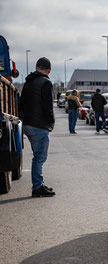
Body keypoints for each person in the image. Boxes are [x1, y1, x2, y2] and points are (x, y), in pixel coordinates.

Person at [19, 57, 56, 197]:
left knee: (37, 157)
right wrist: (51, 123)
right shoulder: (46, 83)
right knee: (39, 157)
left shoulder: (28, 82)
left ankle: (39, 184)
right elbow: (48, 106)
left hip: (28, 124)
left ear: (36, 67)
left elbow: (21, 104)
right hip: (39, 125)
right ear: (49, 70)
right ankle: (37, 187)